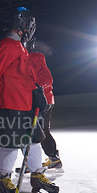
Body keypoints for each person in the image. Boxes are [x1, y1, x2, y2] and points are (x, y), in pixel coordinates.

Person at [0, 7, 60, 193]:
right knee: (11, 143)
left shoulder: (20, 48)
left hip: (25, 104)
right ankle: (5, 179)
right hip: (8, 104)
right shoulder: (6, 46)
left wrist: (36, 92)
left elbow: (23, 77)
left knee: (34, 139)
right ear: (24, 27)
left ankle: (37, 175)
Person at [27, 38, 63, 171]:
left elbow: (47, 78)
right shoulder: (21, 57)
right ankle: (47, 159)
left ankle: (51, 159)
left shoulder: (35, 57)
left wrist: (34, 88)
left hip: (42, 100)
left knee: (38, 131)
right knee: (33, 131)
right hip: (35, 100)